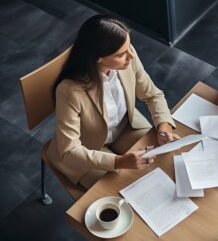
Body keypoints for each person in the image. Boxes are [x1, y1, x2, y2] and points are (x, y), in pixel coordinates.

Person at [47, 15, 179, 189]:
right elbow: (70, 151)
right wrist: (118, 161)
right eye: (121, 54)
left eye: (129, 47)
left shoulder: (127, 54)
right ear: (98, 58)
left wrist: (164, 126)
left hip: (125, 127)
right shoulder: (69, 91)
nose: (131, 55)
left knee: (161, 165)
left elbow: (152, 95)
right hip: (86, 149)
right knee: (122, 190)